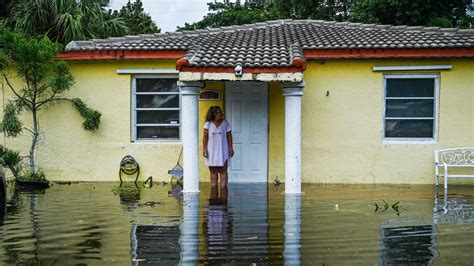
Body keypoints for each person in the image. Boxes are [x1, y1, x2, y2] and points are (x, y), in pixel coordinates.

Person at [203, 106, 234, 188]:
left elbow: (229, 136)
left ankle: (223, 191)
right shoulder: (208, 124)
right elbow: (205, 137)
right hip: (211, 150)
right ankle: (214, 191)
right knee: (213, 171)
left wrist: (231, 148)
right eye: (220, 113)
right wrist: (204, 148)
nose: (222, 114)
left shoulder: (225, 123)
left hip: (223, 150)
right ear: (214, 114)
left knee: (223, 170)